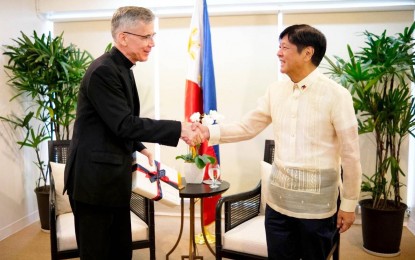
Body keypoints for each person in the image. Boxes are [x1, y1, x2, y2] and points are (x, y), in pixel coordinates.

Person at [199, 24, 362, 259]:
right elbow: (247, 127)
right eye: (279, 47)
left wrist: (348, 204)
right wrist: (206, 132)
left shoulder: (337, 95)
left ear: (307, 53)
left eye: (284, 47)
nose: (278, 53)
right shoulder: (275, 91)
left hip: (317, 210)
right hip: (277, 207)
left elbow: (351, 154)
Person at [63, 6, 202, 259]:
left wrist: (141, 147)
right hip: (94, 184)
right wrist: (179, 128)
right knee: (98, 253)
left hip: (111, 180)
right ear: (123, 37)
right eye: (146, 37)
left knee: (119, 250)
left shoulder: (121, 67)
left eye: (153, 36)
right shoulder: (104, 71)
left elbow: (112, 122)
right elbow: (124, 124)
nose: (152, 44)